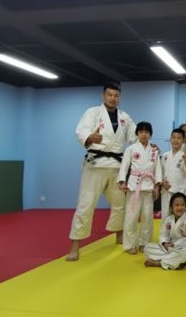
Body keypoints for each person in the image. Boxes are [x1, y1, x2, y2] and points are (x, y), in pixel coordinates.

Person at [66, 82, 136, 261]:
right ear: (103, 96)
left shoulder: (125, 117)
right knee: (86, 204)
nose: (113, 98)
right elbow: (81, 130)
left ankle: (119, 234)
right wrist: (90, 137)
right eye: (110, 95)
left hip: (117, 166)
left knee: (120, 203)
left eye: (116, 95)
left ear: (119, 97)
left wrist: (147, 146)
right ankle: (75, 246)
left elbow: (134, 137)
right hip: (95, 165)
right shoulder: (93, 113)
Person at [117, 121, 162, 254]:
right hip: (134, 186)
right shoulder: (130, 149)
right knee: (131, 216)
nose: (144, 134)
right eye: (141, 132)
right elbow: (124, 166)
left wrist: (157, 186)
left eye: (146, 132)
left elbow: (157, 169)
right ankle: (129, 245)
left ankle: (144, 243)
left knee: (147, 217)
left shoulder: (154, 150)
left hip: (148, 186)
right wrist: (121, 181)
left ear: (150, 134)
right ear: (137, 133)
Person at [144, 192, 186, 269]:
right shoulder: (169, 219)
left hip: (184, 248)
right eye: (177, 205)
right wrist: (165, 243)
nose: (179, 208)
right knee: (148, 248)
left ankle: (159, 263)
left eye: (182, 205)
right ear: (171, 207)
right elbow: (163, 235)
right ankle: (175, 261)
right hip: (169, 248)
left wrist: (174, 244)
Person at [160, 128, 186, 221]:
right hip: (167, 190)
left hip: (180, 190)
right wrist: (162, 182)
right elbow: (160, 172)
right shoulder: (165, 155)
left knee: (182, 217)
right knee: (166, 216)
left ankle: (181, 231)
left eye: (179, 138)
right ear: (170, 139)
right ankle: (165, 231)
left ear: (183, 140)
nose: (176, 140)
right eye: (173, 137)